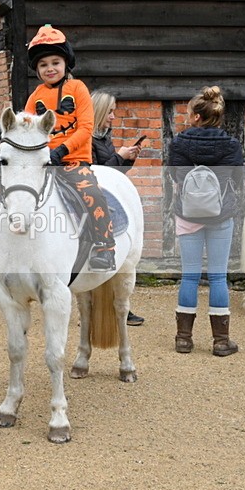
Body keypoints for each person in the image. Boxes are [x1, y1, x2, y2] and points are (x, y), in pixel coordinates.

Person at [25, 24, 115, 271]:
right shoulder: (35, 96)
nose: (50, 68)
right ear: (37, 69)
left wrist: (60, 151)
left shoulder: (78, 89)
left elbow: (85, 128)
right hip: (43, 163)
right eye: (43, 64)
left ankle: (105, 248)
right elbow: (28, 128)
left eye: (55, 62)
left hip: (73, 162)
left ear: (65, 64)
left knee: (92, 194)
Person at [169, 86, 243, 356]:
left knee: (189, 276)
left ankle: (184, 339)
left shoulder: (178, 143)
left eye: (189, 113)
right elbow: (236, 180)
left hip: (188, 215)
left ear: (197, 117)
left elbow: (175, 177)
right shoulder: (232, 145)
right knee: (218, 276)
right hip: (220, 215)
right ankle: (221, 342)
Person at [90, 90, 145, 326]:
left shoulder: (103, 137)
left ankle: (119, 303)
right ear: (100, 111)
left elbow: (112, 175)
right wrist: (119, 156)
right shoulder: (87, 139)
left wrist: (126, 158)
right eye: (110, 111)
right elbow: (94, 173)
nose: (113, 116)